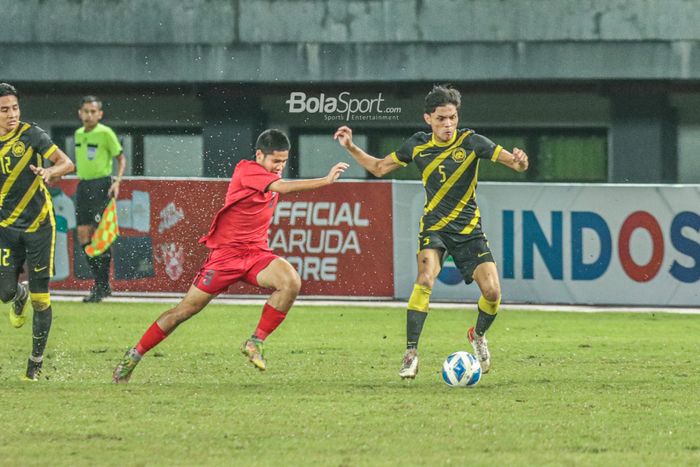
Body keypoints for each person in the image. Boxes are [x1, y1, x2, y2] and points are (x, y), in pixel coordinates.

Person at [112, 129, 348, 383]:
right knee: (184, 311)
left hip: (256, 255)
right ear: (259, 155)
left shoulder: (268, 173)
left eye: (284, 161)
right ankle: (134, 355)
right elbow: (282, 187)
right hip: (225, 258)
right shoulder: (247, 170)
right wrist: (325, 180)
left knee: (290, 282)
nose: (280, 167)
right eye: (275, 161)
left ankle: (255, 342)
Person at [334, 84, 529, 379]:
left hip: (468, 230)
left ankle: (477, 335)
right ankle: (411, 353)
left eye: (452, 117)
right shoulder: (417, 145)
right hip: (435, 226)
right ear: (428, 119)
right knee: (425, 278)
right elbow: (378, 168)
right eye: (441, 119)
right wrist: (351, 147)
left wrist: (521, 160)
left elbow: (515, 165)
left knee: (492, 292)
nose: (448, 125)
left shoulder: (473, 142)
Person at [0, 83, 75, 381]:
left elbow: (66, 163)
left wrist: (49, 172)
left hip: (39, 227)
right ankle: (19, 294)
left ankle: (35, 364)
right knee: (4, 293)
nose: (12, 115)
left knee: (42, 300)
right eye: (4, 110)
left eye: (15, 108)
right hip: (6, 229)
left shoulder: (31, 134)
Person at [74, 95, 126, 303]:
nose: (89, 115)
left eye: (93, 111)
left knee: (99, 237)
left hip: (101, 185)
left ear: (100, 114)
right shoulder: (78, 134)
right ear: (80, 113)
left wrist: (117, 182)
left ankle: (101, 285)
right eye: (86, 111)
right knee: (83, 235)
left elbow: (121, 158)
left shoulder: (105, 133)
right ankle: (101, 283)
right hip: (83, 186)